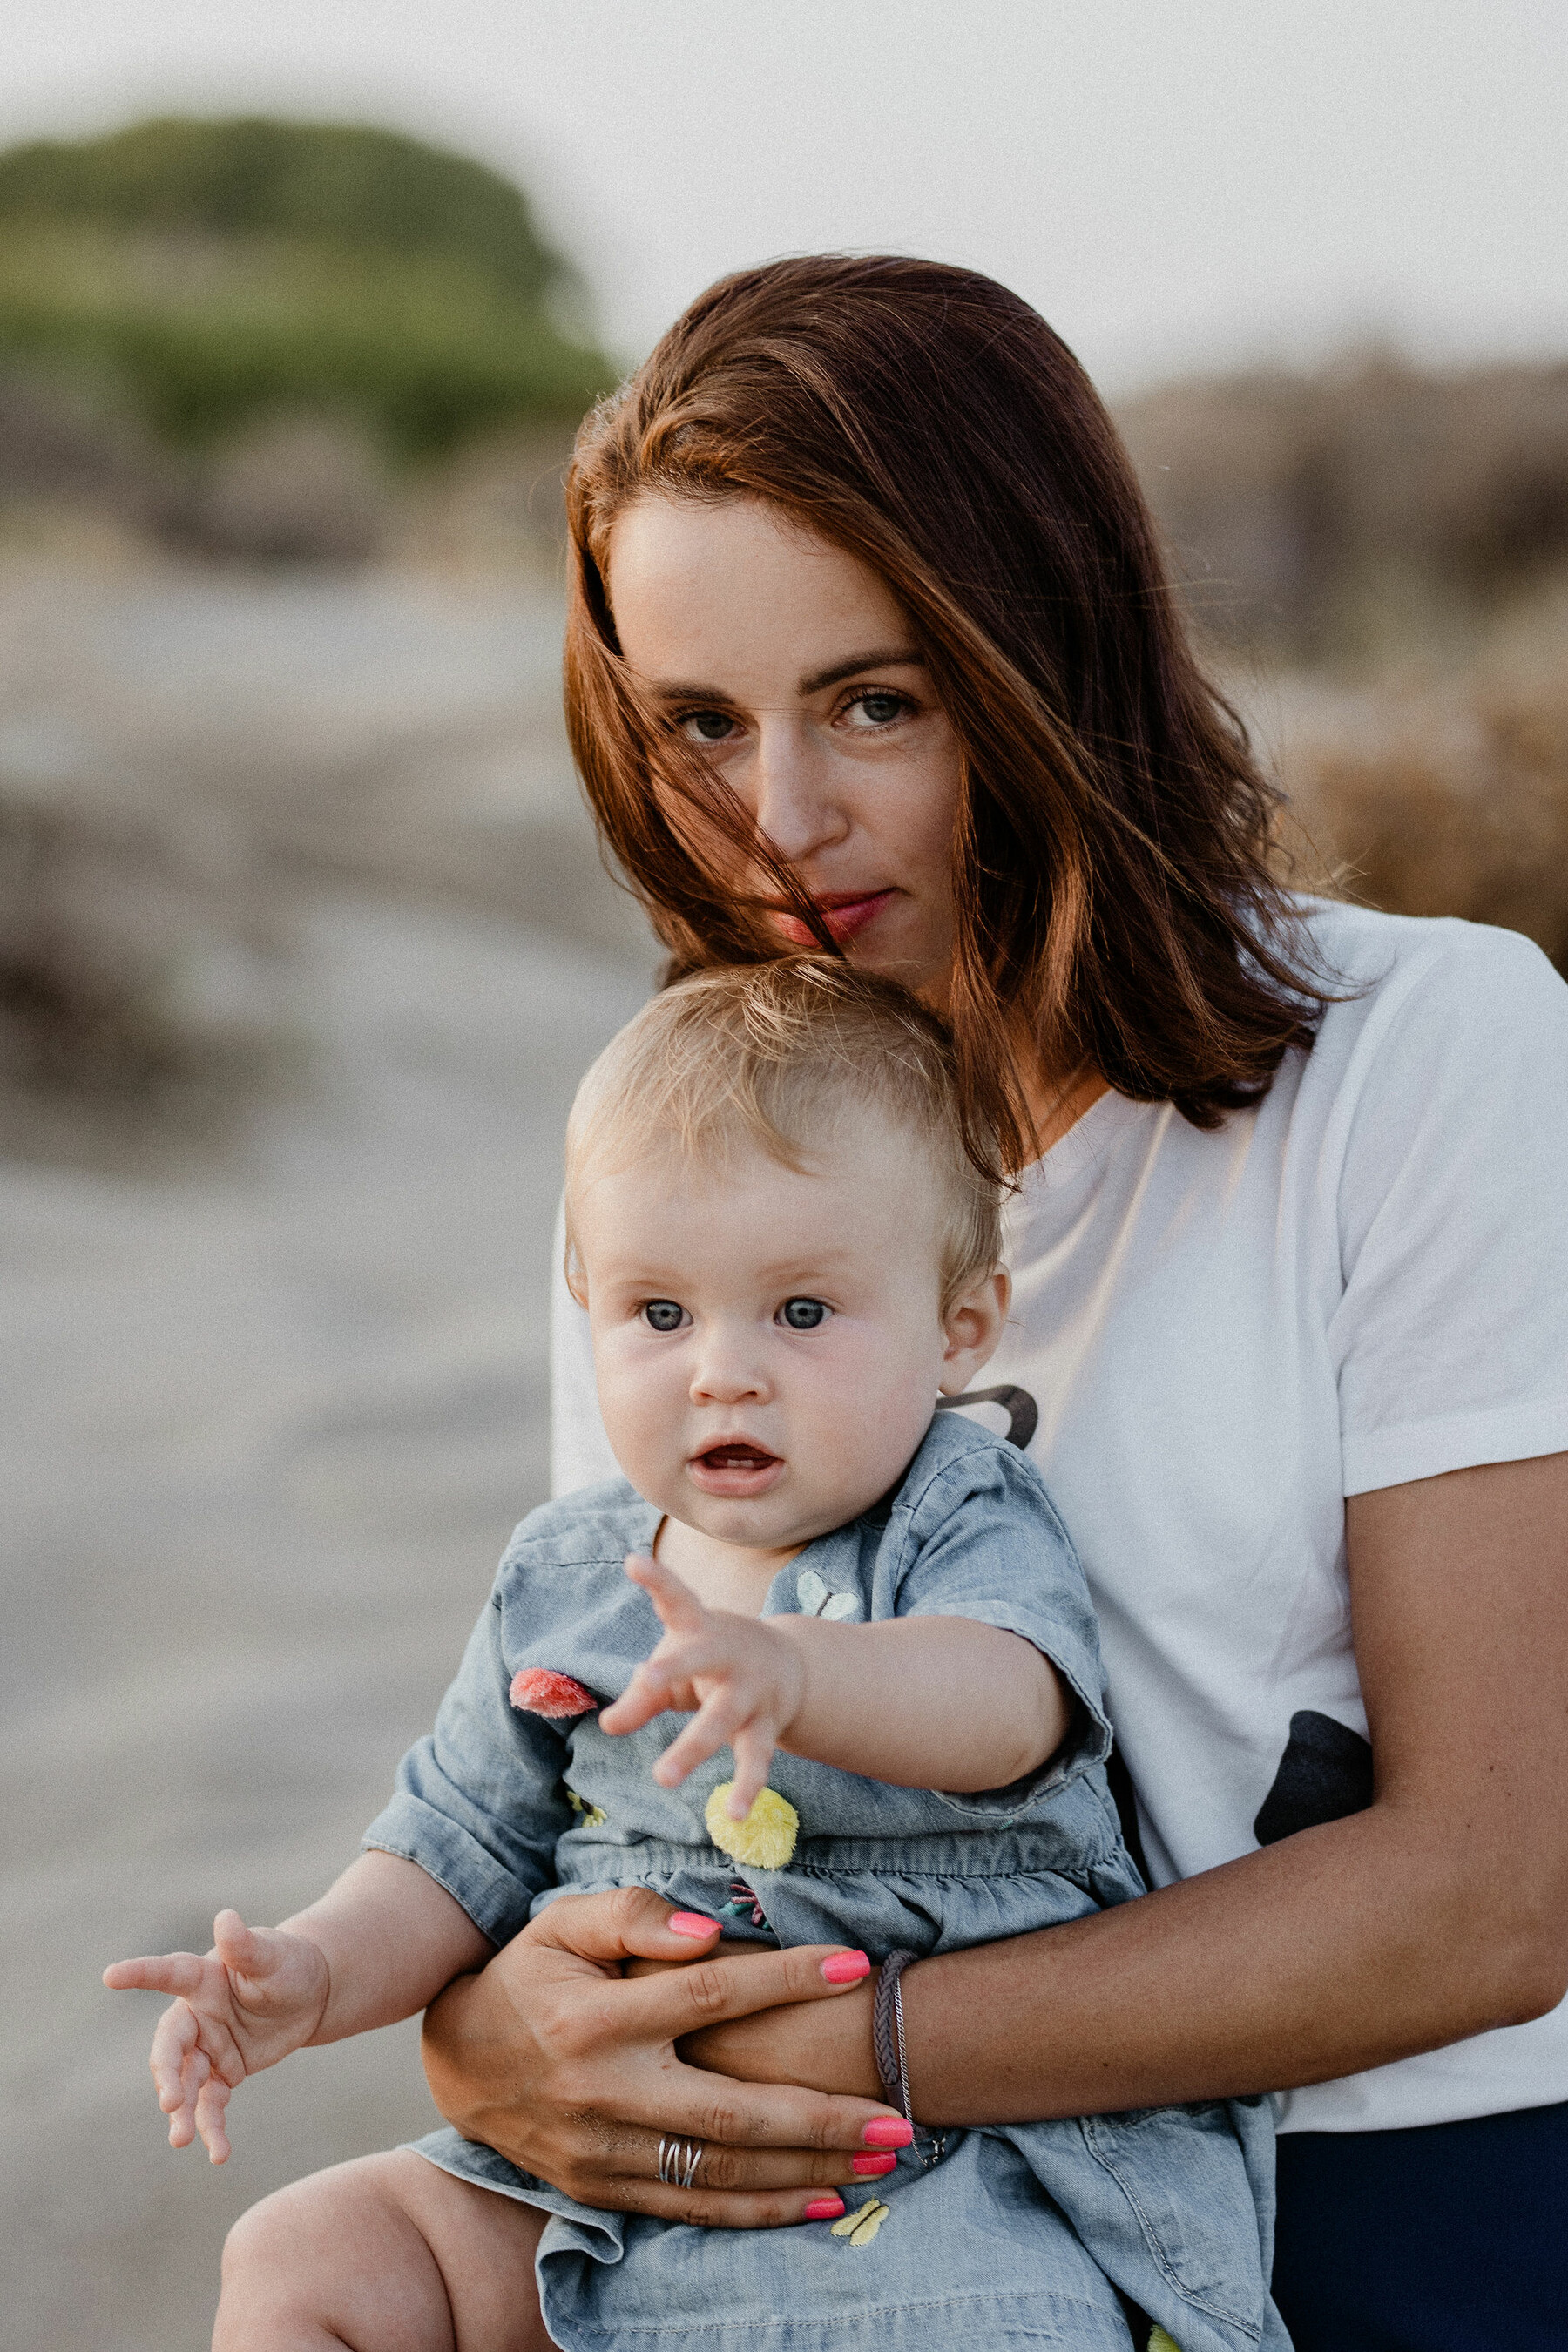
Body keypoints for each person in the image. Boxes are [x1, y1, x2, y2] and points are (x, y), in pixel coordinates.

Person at [413, 258, 1568, 2352]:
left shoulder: (1432, 1049)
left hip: (1385, 2182)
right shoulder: (696, 1176)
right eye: (696, 723)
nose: (779, 820)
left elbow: (1495, 1891)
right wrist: (481, 2040)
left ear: (1048, 662)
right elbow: (605, 1754)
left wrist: (841, 2060)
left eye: (878, 700)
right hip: (815, 2214)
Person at [107, 959, 1284, 2351]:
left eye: (801, 1313)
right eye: (661, 1316)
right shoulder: (565, 1576)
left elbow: (1008, 1702)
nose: (724, 1370)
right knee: (309, 2254)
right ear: (586, 1307)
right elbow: (455, 1840)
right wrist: (307, 1973)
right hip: (604, 2169)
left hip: (928, 2180)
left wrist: (798, 1673)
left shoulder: (958, 1512)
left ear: (960, 1326)